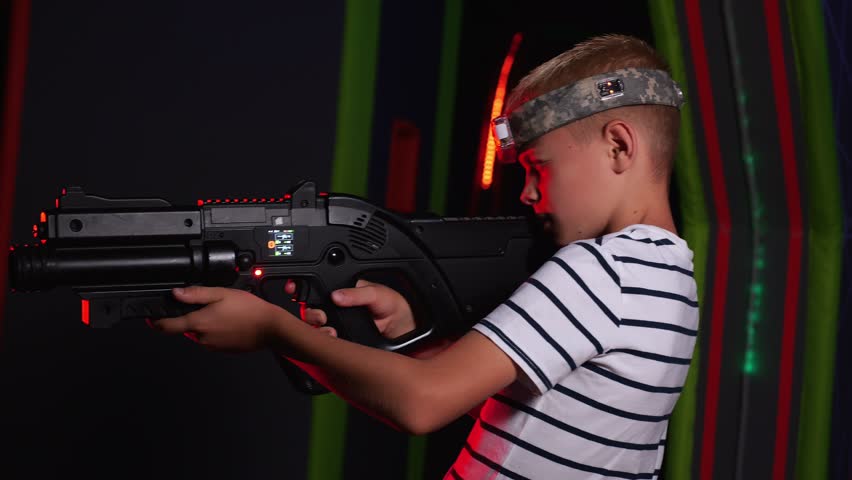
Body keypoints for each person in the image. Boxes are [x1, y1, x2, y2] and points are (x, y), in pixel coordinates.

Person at [152, 34, 699, 479]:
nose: (528, 195)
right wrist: (416, 336)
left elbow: (422, 406)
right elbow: (531, 406)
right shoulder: (668, 275)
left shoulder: (600, 267)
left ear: (619, 147)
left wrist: (275, 331)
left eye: (538, 169)